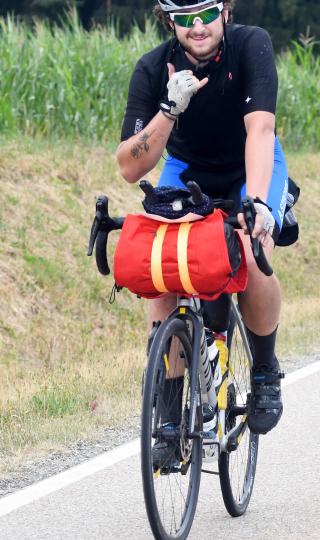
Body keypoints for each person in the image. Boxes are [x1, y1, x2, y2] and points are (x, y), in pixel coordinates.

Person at [116, 0, 288, 466]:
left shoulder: (251, 46)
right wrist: (170, 109)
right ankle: (170, 411)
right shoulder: (153, 67)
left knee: (251, 253)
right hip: (186, 168)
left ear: (226, 12)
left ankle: (266, 370)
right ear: (169, 21)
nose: (197, 27)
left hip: (248, 165)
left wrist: (254, 204)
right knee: (161, 262)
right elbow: (130, 166)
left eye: (206, 13)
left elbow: (261, 131)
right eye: (184, 17)